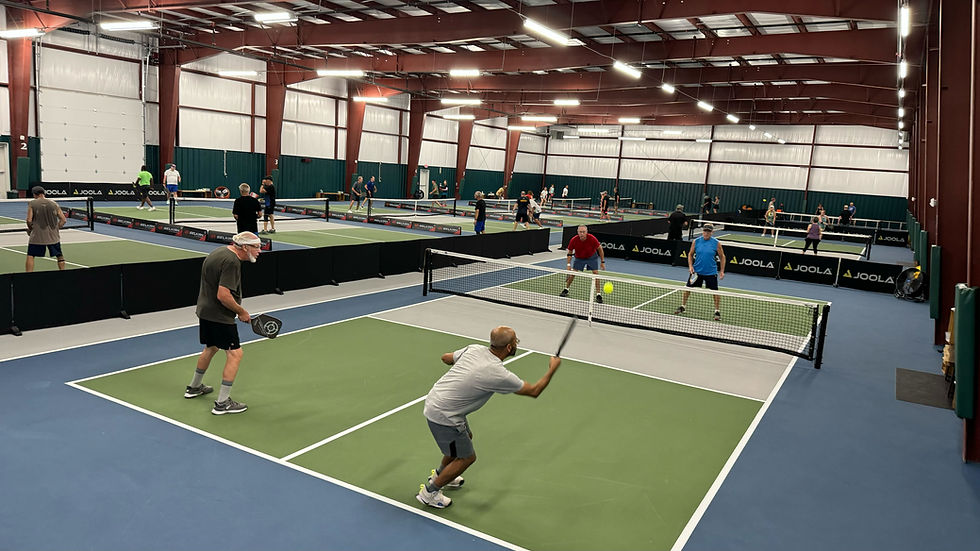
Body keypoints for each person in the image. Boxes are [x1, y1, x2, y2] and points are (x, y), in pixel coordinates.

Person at [416, 326, 561, 509]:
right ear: (509, 347)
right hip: (445, 414)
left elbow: (446, 358)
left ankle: (441, 475)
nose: (517, 343)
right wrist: (552, 368)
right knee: (467, 458)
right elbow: (534, 391)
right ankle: (430, 493)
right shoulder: (498, 374)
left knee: (465, 439)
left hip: (440, 401)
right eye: (515, 341)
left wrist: (465, 369)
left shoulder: (474, 349)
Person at [186, 231, 263, 415]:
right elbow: (223, 295)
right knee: (235, 354)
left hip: (205, 310)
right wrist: (241, 311)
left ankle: (194, 387)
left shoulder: (218, 252)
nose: (260, 251)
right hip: (219, 315)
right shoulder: (232, 262)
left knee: (211, 347)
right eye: (257, 247)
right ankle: (222, 403)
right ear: (245, 247)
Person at [674, 223, 725, 322]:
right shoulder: (696, 241)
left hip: (711, 272)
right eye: (705, 231)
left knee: (715, 292)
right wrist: (690, 266)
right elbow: (690, 254)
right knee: (687, 289)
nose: (706, 233)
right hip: (697, 272)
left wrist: (722, 271)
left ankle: (717, 311)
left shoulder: (716, 243)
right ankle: (683, 306)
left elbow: (722, 257)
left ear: (712, 232)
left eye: (708, 231)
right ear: (703, 231)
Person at [24, 186, 67, 272]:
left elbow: (29, 220)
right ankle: (63, 272)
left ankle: (28, 276)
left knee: (30, 255)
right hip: (53, 237)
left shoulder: (32, 203)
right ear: (43, 193)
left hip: (37, 236)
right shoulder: (54, 204)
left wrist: (30, 229)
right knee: (59, 255)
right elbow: (63, 220)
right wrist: (56, 229)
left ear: (34, 194)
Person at [560, 225, 605, 304]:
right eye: (580, 232)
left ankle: (598, 294)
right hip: (579, 258)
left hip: (591, 257)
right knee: (573, 273)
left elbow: (600, 249)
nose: (582, 234)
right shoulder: (574, 240)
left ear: (586, 232)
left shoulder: (592, 238)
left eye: (583, 232)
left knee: (595, 274)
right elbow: (570, 253)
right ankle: (566, 289)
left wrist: (602, 262)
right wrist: (568, 265)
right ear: (578, 232)